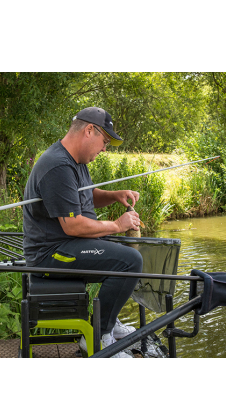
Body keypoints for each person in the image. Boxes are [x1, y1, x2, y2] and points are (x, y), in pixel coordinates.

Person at [23, 107, 143, 358]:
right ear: (89, 130)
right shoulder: (58, 165)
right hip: (51, 253)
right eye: (105, 142)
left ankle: (108, 321)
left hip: (68, 244)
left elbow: (85, 197)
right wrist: (117, 225)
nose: (104, 149)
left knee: (122, 255)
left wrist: (114, 195)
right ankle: (98, 339)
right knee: (129, 261)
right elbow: (73, 225)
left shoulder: (75, 161)